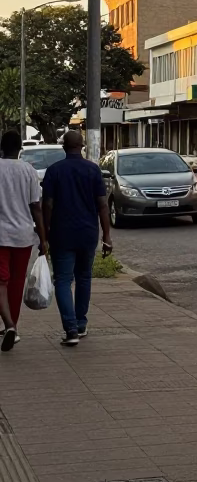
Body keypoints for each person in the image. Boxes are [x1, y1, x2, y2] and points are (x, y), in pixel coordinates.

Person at [42, 130, 112, 346]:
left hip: (61, 234)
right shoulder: (93, 170)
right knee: (84, 278)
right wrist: (107, 236)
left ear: (64, 147)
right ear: (82, 146)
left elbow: (48, 205)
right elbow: (102, 205)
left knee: (62, 280)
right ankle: (81, 324)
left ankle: (70, 329)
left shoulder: (54, 171)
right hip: (88, 233)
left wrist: (44, 234)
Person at [0, 129, 48, 352]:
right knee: (17, 282)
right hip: (23, 236)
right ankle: (13, 326)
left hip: (1, 236)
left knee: (1, 281)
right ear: (20, 148)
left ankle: (8, 325)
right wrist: (43, 238)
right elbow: (36, 207)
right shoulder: (28, 171)